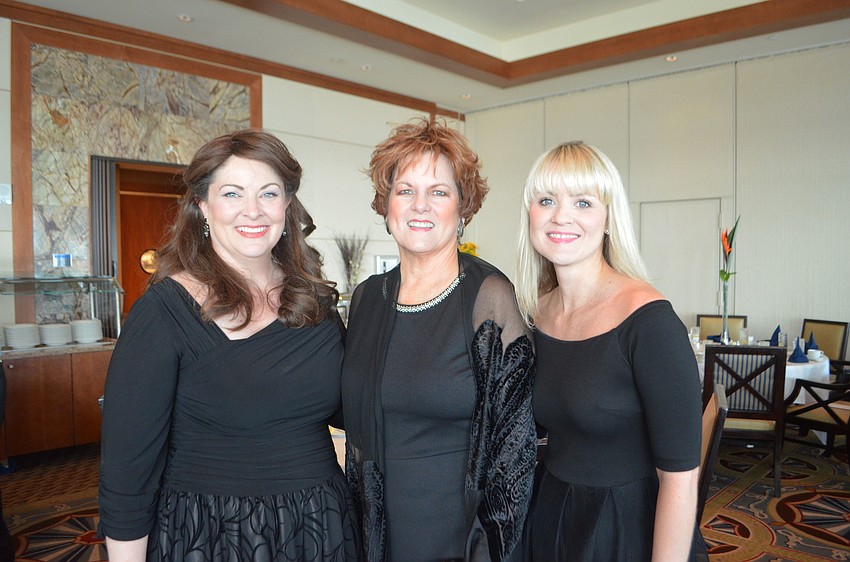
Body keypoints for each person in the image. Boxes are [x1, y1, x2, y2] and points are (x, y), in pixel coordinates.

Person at [99, 129, 359, 561]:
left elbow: (353, 407)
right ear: (202, 205)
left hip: (320, 528)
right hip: (211, 534)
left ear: (287, 205)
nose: (253, 211)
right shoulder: (164, 312)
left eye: (269, 193)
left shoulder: (315, 303)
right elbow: (128, 470)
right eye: (233, 193)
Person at [341, 119, 536, 562]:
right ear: (386, 205)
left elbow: (515, 452)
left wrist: (486, 551)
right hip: (375, 538)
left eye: (439, 192)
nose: (419, 206)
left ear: (463, 208)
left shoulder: (488, 297)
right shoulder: (368, 297)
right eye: (405, 190)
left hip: (461, 543)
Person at [516, 142, 708, 561]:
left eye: (582, 202)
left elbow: (680, 478)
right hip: (550, 515)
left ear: (607, 219)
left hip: (627, 526)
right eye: (546, 200)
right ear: (530, 214)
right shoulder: (535, 313)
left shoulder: (649, 321)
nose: (560, 216)